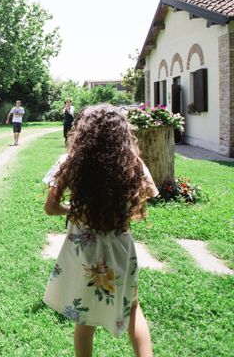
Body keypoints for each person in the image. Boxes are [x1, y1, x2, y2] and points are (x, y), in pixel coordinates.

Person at [42, 104, 158, 357]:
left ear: (85, 131)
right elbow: (149, 193)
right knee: (133, 308)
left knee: (85, 320)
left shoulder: (70, 162)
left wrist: (75, 211)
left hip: (85, 250)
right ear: (121, 132)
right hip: (121, 245)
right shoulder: (133, 164)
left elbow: (50, 208)